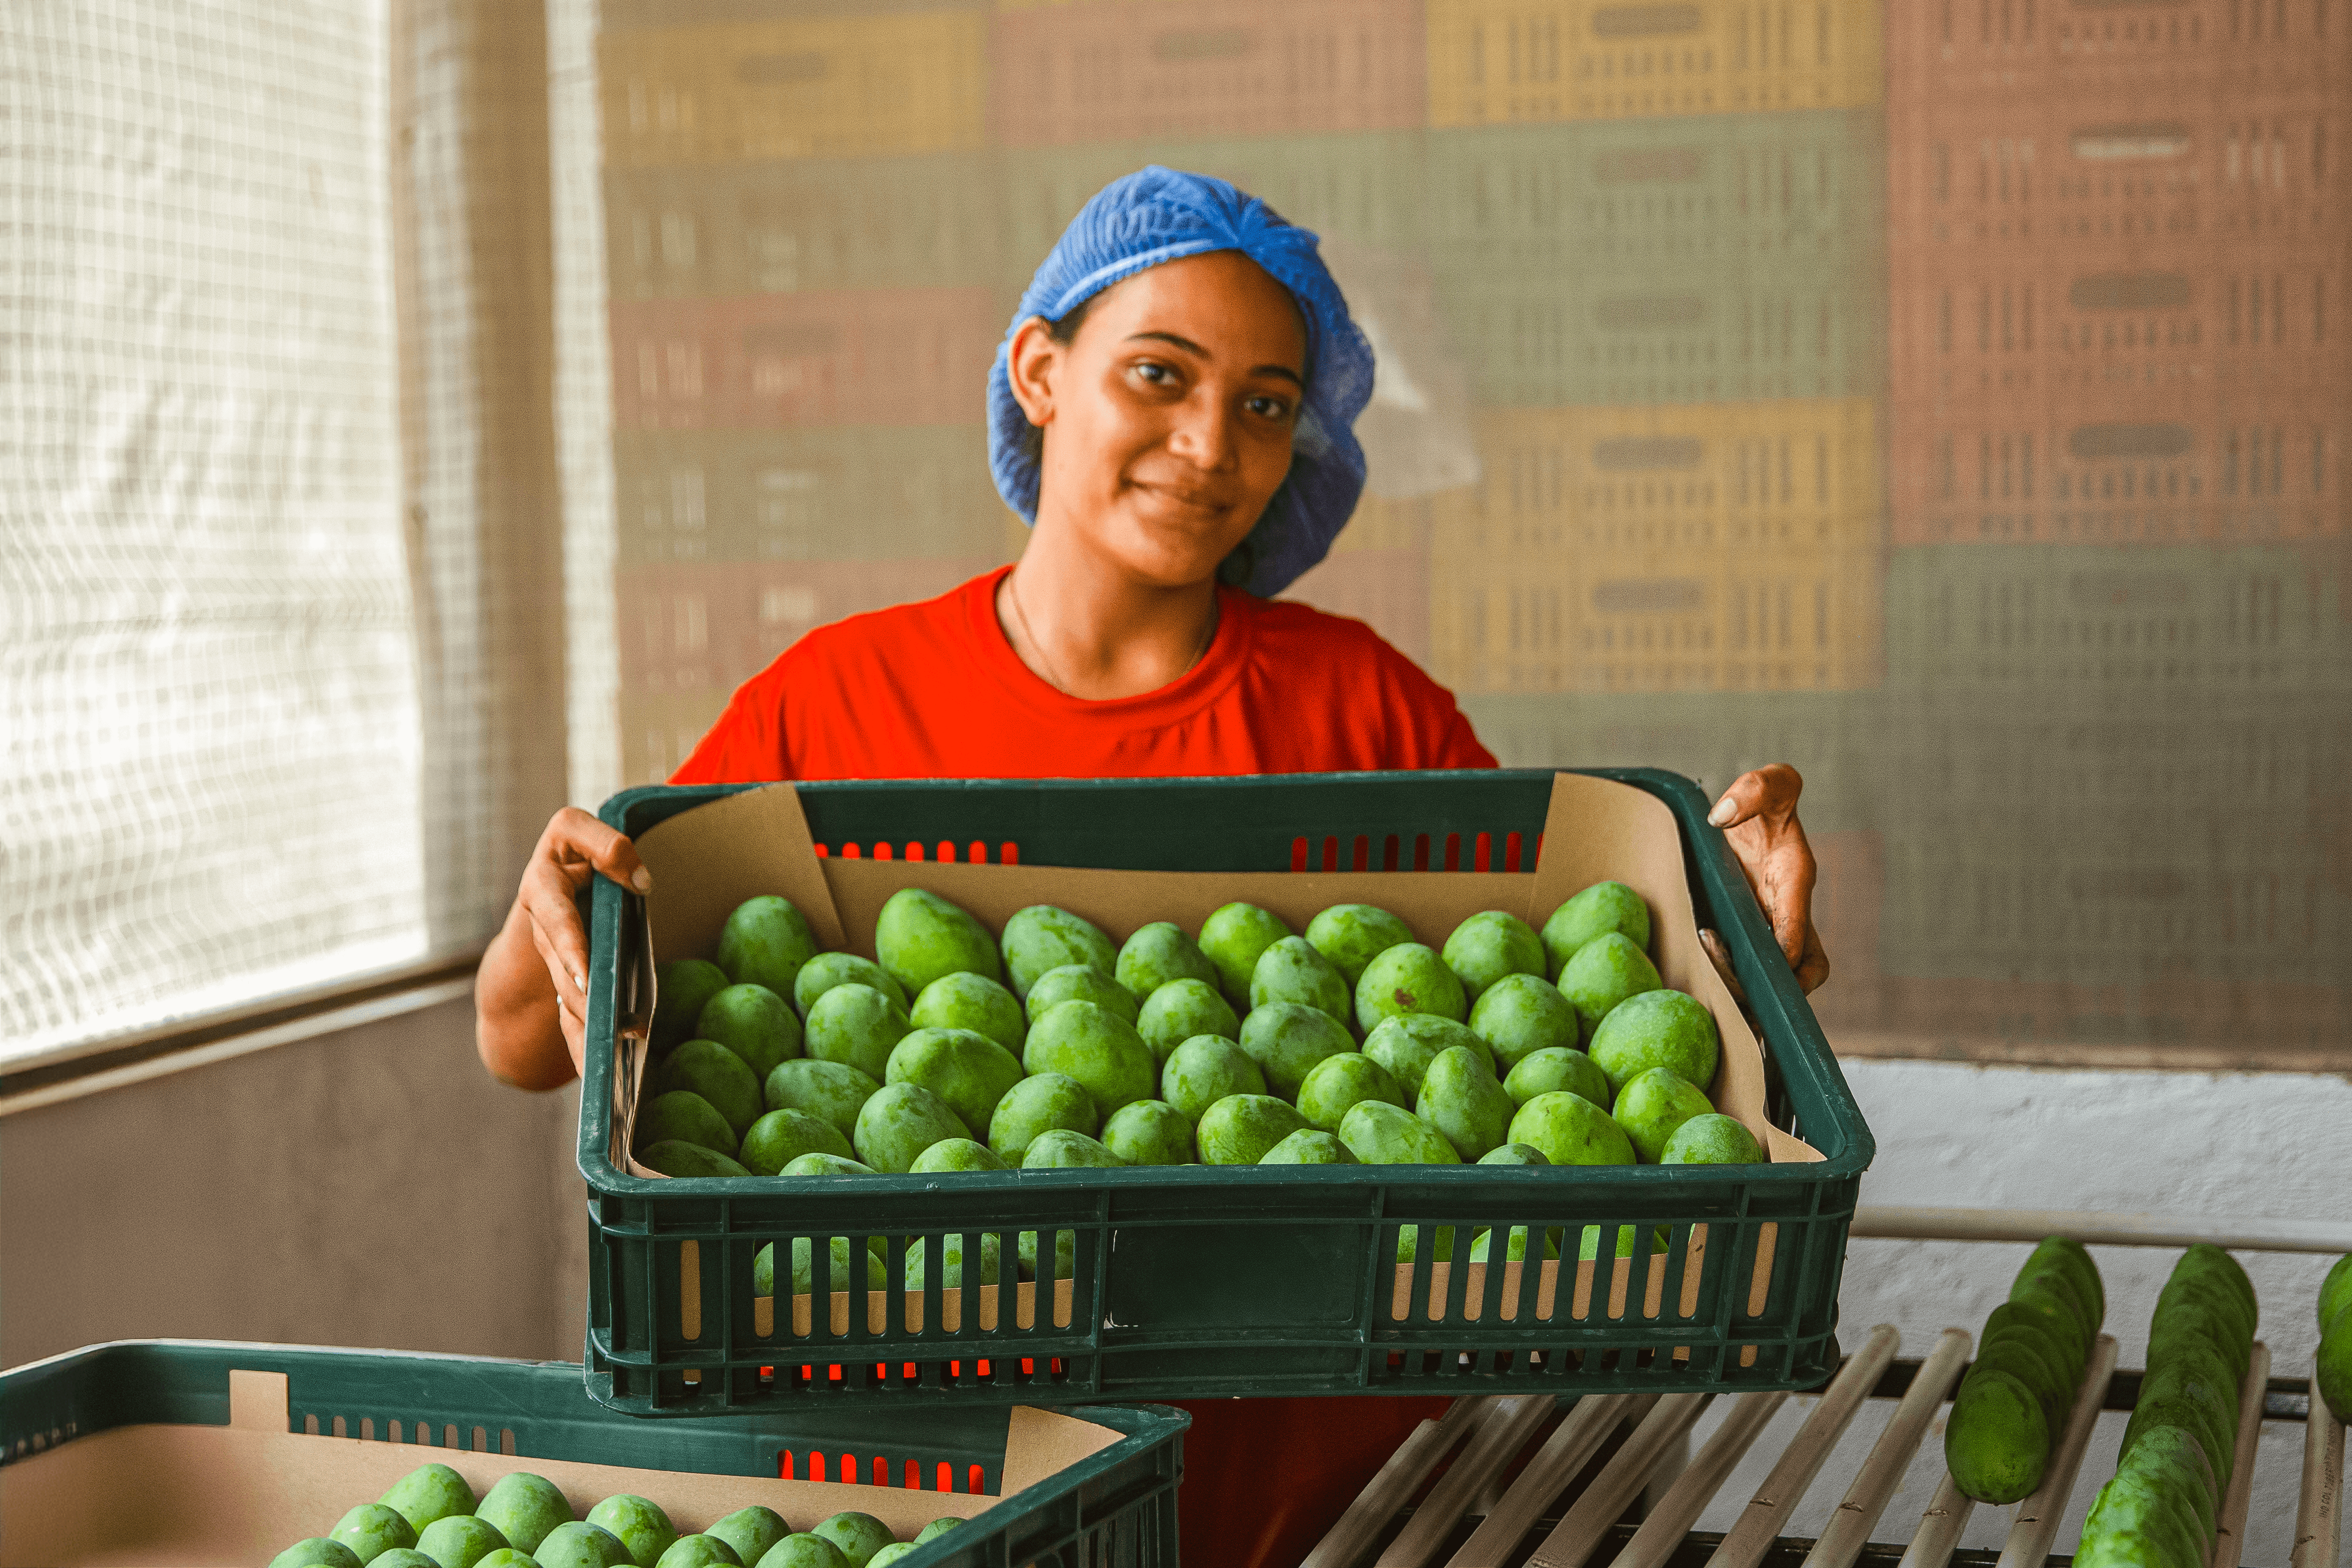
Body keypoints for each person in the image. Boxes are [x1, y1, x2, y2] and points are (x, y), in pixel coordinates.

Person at [475, 167, 1829, 1566]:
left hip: (1341, 1503)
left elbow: (1559, 1029)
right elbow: (530, 1045)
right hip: (955, 1493)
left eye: (1262, 405)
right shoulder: (834, 706)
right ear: (1041, 371)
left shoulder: (1365, 714)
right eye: (1158, 375)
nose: (1207, 442)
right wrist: (552, 912)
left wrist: (1740, 955)